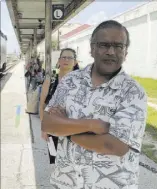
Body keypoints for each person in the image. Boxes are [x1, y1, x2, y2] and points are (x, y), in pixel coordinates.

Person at [42, 20, 147, 189]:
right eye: (104, 45)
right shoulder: (70, 80)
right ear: (92, 49)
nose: (111, 51)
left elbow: (114, 145)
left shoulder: (133, 92)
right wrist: (92, 125)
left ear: (125, 52)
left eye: (119, 46)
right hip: (65, 182)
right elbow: (47, 124)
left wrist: (67, 131)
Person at [39, 48, 79, 164]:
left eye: (70, 57)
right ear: (59, 61)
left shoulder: (81, 83)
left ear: (75, 62)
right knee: (56, 161)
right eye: (63, 57)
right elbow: (42, 104)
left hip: (74, 130)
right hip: (53, 129)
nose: (66, 60)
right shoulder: (50, 81)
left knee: (72, 164)